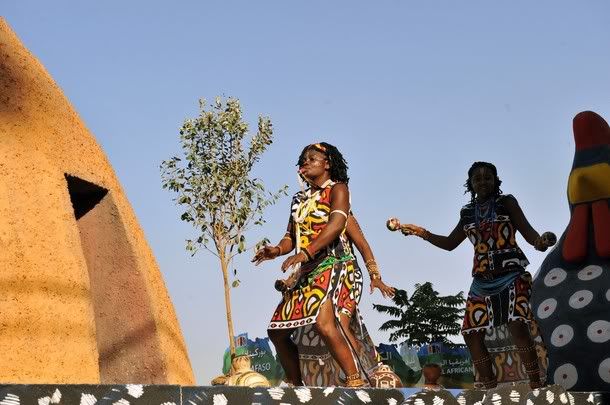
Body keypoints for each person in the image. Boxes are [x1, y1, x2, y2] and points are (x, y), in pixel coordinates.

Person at [399, 161, 555, 389]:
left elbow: (530, 234)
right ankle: (490, 389)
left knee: (517, 326)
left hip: (511, 275)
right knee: (471, 334)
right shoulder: (467, 212)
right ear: (470, 184)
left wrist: (541, 242)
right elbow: (450, 243)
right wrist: (421, 232)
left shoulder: (506, 203)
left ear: (496, 181)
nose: (483, 182)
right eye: (477, 179)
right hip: (482, 281)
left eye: (488, 178)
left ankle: (536, 385)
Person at [252, 142, 395, 387]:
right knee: (276, 331)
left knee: (324, 322)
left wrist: (375, 275)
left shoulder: (338, 190)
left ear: (327, 164)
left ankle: (354, 380)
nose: (304, 162)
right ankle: (296, 386)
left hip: (337, 266)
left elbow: (337, 227)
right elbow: (290, 238)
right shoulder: (298, 200)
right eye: (302, 159)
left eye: (312, 158)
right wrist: (275, 250)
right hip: (307, 272)